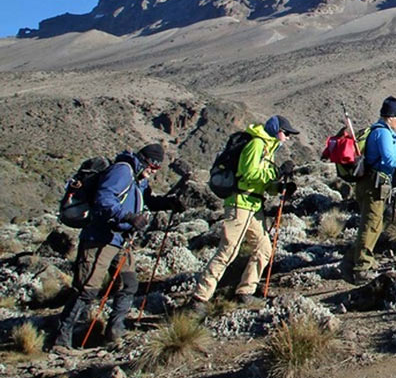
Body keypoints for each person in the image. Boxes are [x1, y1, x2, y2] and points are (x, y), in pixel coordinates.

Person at [53, 143, 183, 350]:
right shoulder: (122, 171)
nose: (153, 171)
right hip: (101, 238)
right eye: (152, 166)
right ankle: (61, 339)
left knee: (129, 284)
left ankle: (115, 331)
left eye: (157, 168)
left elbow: (147, 200)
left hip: (121, 240)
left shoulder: (138, 178)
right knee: (87, 289)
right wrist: (128, 217)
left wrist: (168, 204)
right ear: (144, 160)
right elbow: (104, 199)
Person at [189, 116, 299, 315]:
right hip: (240, 204)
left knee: (264, 248)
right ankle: (200, 297)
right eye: (287, 133)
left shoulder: (268, 149)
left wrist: (279, 187)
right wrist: (277, 173)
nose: (288, 138)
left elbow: (262, 183)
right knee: (228, 251)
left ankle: (246, 291)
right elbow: (248, 174)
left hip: (253, 205)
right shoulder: (257, 143)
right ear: (277, 130)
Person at [347, 98, 396, 282]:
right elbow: (390, 160)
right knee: (371, 224)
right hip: (375, 184)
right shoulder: (384, 134)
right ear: (392, 117)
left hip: (370, 182)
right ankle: (360, 268)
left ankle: (365, 259)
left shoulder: (376, 130)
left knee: (374, 222)